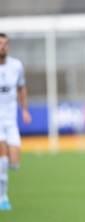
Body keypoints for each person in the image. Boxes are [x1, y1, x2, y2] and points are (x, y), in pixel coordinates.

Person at [0, 33, 31, 210]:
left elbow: (21, 88)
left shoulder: (16, 66)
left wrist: (25, 110)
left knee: (14, 164)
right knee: (2, 160)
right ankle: (3, 197)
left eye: (4, 44)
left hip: (11, 121)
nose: (2, 47)